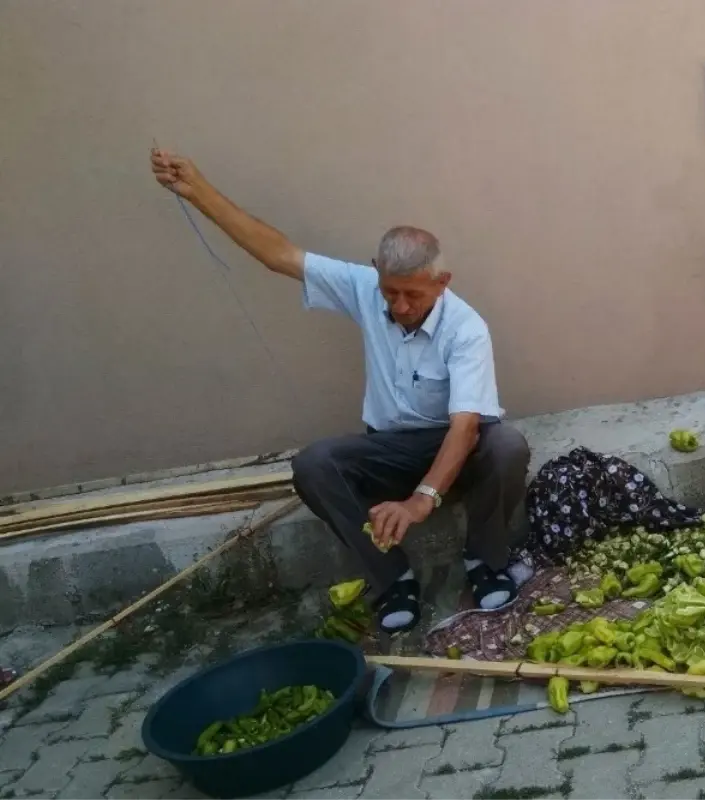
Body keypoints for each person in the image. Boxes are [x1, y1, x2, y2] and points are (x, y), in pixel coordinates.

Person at [150, 149, 532, 636]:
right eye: (391, 291)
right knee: (314, 464)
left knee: (507, 446)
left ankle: (485, 559)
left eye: (413, 294)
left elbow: (465, 427)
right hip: (390, 446)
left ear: (442, 282)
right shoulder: (365, 289)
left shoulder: (466, 329)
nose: (400, 305)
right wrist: (197, 190)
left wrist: (421, 501)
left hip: (457, 444)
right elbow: (279, 254)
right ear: (377, 272)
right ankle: (392, 579)